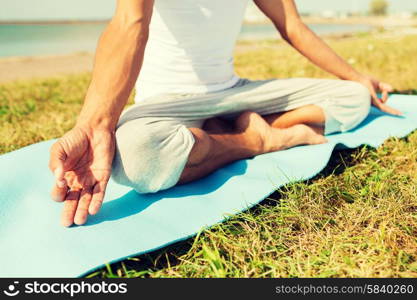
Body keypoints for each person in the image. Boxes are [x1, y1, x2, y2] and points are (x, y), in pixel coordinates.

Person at [48, 0, 401, 227]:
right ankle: (255, 138)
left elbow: (292, 26)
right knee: (133, 156)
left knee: (354, 98)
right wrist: (95, 124)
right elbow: (129, 24)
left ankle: (217, 134)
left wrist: (357, 77)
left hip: (232, 91)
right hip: (168, 103)